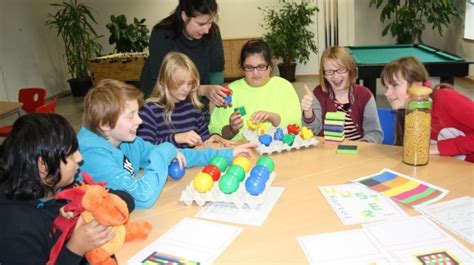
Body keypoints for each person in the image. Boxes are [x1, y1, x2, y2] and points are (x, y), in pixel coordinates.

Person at [77, 79, 255, 209]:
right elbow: (142, 197)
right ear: (105, 124)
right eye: (131, 115)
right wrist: (165, 150)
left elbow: (179, 155)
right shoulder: (92, 156)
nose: (139, 121)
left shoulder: (124, 138)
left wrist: (227, 155)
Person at [0, 113, 116, 264]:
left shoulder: (58, 184)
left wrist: (97, 206)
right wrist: (75, 249)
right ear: (43, 165)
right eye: (71, 154)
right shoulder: (15, 229)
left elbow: (118, 197)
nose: (80, 158)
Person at [381, 56, 474, 162]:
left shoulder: (445, 98)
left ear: (416, 84)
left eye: (394, 85)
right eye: (386, 87)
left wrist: (439, 148)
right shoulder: (408, 112)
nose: (387, 93)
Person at [140, 0, 228, 110]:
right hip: (162, 102)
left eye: (209, 23)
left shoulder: (212, 32)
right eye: (200, 24)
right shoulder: (162, 35)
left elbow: (216, 71)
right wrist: (203, 90)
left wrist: (217, 93)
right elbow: (165, 84)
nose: (206, 30)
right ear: (184, 16)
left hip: (197, 102)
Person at [209, 39, 302, 140]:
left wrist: (273, 117)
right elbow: (215, 131)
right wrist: (231, 129)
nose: (255, 73)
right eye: (249, 67)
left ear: (270, 66)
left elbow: (295, 127)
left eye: (261, 67)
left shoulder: (284, 87)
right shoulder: (230, 92)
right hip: (241, 151)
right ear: (242, 67)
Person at [301, 46, 383, 143]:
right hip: (327, 154)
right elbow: (313, 131)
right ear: (324, 75)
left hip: (359, 153)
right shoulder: (319, 94)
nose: (336, 76)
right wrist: (308, 112)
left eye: (340, 70)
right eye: (329, 71)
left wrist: (358, 146)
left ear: (350, 70)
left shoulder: (365, 95)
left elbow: (375, 133)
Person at [138, 52, 210, 148]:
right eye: (180, 83)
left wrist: (213, 140)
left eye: (190, 83)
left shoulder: (193, 109)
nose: (186, 88)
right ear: (163, 81)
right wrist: (175, 139)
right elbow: (144, 151)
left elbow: (205, 140)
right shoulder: (149, 111)